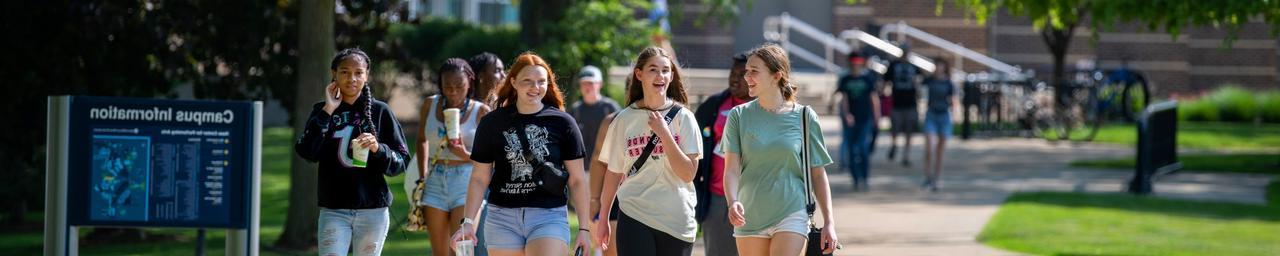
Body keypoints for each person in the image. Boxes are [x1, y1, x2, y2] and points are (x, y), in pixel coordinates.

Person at [450, 52, 593, 256]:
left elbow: (578, 180)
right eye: (528, 81)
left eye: (541, 81)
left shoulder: (563, 123)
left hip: (548, 215)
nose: (535, 87)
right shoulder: (491, 123)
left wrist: (584, 229)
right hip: (502, 218)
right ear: (514, 82)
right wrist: (468, 223)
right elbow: (480, 178)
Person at [721, 44, 839, 256]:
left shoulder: (805, 117)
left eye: (754, 71)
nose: (746, 76)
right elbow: (730, 169)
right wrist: (732, 202)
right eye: (747, 70)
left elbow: (818, 174)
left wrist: (829, 222)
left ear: (776, 76)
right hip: (749, 214)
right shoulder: (738, 116)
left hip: (792, 212)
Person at [295, 48, 410, 256]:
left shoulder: (380, 111)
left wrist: (378, 148)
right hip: (334, 209)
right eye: (345, 72)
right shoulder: (322, 110)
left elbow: (401, 161)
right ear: (334, 74)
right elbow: (306, 151)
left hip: (373, 210)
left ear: (367, 75)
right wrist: (328, 110)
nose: (352, 78)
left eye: (358, 72)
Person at [594, 46, 703, 256]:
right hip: (634, 214)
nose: (660, 75)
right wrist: (603, 217)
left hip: (677, 220)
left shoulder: (684, 117)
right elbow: (614, 172)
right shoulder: (623, 120)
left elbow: (688, 173)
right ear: (639, 74)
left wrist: (664, 133)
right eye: (653, 69)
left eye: (665, 70)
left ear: (671, 76)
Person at [416, 58, 491, 256]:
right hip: (434, 180)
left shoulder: (481, 111)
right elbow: (421, 140)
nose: (453, 92)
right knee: (439, 252)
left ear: (470, 83)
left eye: (459, 86)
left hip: (466, 181)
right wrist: (422, 175)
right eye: (447, 86)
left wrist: (464, 154)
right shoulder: (430, 104)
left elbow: (492, 158)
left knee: (462, 250)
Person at [692, 50, 753, 256]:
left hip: (758, 198)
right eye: (732, 74)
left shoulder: (767, 108)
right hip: (718, 198)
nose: (735, 80)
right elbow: (694, 151)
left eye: (741, 75)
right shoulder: (712, 107)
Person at [835, 51, 881, 192]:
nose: (855, 66)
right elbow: (844, 99)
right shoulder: (846, 80)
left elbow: (874, 99)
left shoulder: (868, 79)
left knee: (862, 148)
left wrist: (877, 117)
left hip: (865, 118)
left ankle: (865, 177)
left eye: (857, 64)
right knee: (851, 149)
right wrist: (847, 114)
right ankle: (855, 179)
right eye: (853, 64)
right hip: (850, 121)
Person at [569, 65, 620, 173]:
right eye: (584, 83)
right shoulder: (575, 110)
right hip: (583, 170)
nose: (587, 87)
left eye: (591, 83)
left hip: (608, 170)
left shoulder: (610, 108)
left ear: (600, 84)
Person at [921, 59, 958, 192]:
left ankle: (937, 178)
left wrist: (955, 115)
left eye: (941, 66)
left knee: (940, 151)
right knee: (930, 148)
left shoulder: (948, 82)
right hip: (931, 114)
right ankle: (927, 177)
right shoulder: (929, 80)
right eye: (937, 65)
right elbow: (921, 94)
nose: (938, 68)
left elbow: (953, 99)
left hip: (944, 116)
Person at [883, 43, 922, 166]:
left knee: (909, 131)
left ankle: (906, 155)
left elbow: (921, 81)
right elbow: (885, 80)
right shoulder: (893, 65)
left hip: (911, 103)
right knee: (895, 128)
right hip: (897, 103)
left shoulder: (914, 67)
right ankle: (894, 144)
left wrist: (918, 89)